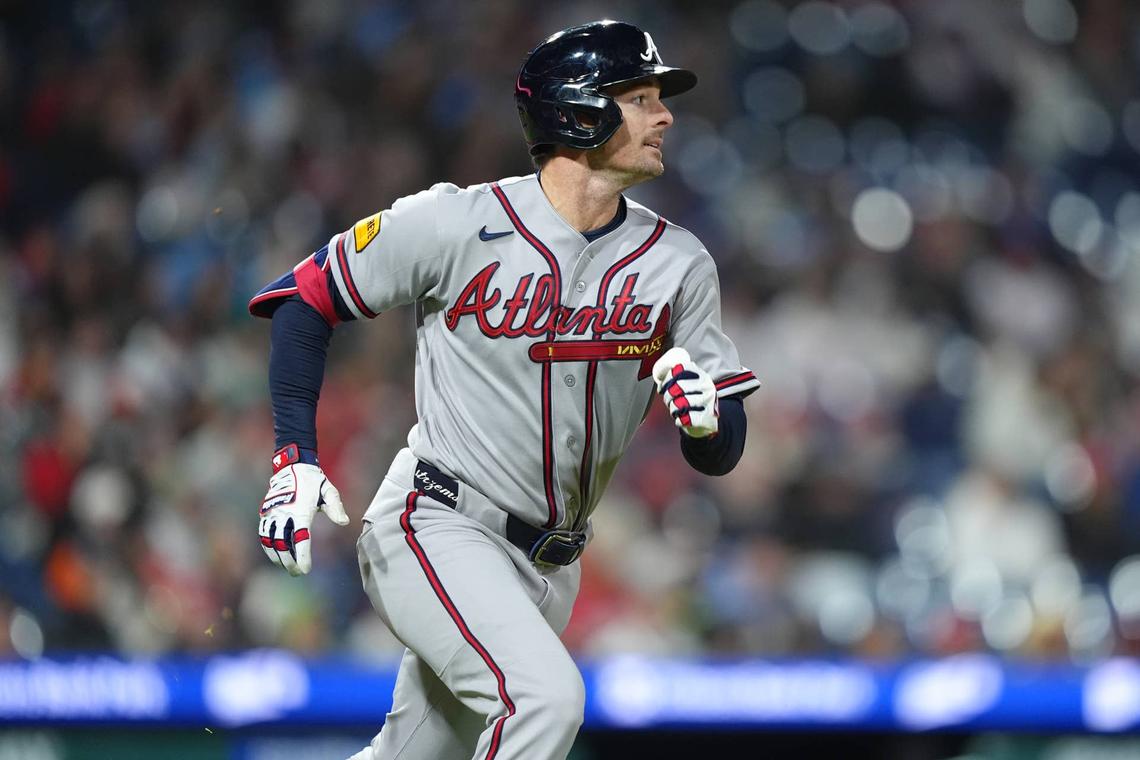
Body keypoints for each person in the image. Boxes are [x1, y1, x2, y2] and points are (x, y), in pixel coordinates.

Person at [249, 19, 759, 760]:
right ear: (579, 111)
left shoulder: (678, 261)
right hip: (437, 524)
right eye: (642, 97)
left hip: (552, 567)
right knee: (545, 702)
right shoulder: (456, 222)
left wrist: (709, 424)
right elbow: (304, 298)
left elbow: (722, 449)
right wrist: (295, 453)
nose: (665, 116)